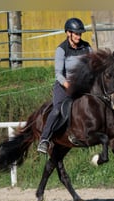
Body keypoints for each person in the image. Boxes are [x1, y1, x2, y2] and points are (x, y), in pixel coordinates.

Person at [37, 17, 92, 154]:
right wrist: (69, 85)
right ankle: (44, 139)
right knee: (56, 110)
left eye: (80, 34)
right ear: (68, 33)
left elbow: (93, 66)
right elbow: (59, 75)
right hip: (64, 87)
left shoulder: (87, 47)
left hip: (83, 86)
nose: (79, 36)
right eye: (76, 33)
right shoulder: (61, 50)